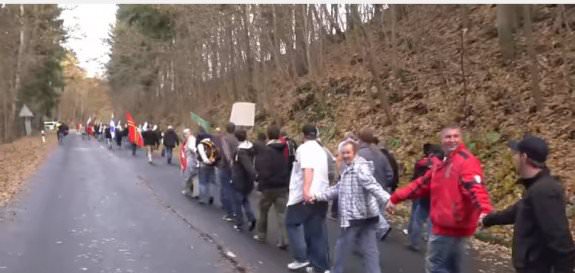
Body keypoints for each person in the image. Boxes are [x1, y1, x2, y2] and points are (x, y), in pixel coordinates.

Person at [387, 125, 493, 273]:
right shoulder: (441, 164)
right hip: (451, 226)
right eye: (448, 137)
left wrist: (485, 210)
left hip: (450, 226)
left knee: (435, 266)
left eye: (455, 136)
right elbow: (420, 184)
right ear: (441, 141)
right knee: (452, 267)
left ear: (461, 139)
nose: (452, 140)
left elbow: (474, 187)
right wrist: (396, 198)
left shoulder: (465, 161)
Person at [481, 135, 575, 273]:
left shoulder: (545, 191)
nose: (513, 158)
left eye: (516, 154)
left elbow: (561, 240)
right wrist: (488, 220)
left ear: (524, 157)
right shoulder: (535, 188)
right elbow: (516, 211)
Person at [314, 140, 390, 273]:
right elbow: (338, 189)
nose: (345, 156)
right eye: (343, 153)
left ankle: (336, 271)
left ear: (354, 152)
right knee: (370, 250)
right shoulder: (348, 169)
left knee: (342, 247)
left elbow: (373, 186)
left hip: (355, 217)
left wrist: (388, 200)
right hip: (368, 216)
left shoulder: (359, 168)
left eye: (348, 152)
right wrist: (317, 196)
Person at [285, 124, 330, 273]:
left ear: (303, 135)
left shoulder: (304, 149)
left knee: (291, 223)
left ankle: (301, 258)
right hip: (322, 195)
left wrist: (306, 190)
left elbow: (308, 169)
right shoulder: (321, 150)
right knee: (316, 231)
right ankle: (320, 266)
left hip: (305, 196)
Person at [253, 125, 290, 249]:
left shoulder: (266, 151)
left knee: (263, 211)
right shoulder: (284, 149)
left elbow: (262, 169)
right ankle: (284, 239)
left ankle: (261, 235)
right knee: (281, 214)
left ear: (268, 135)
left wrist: (260, 181)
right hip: (282, 186)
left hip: (268, 187)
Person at [405, 143, 443, 252]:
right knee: (432, 222)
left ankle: (414, 242)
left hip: (423, 193)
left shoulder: (422, 163)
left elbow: (415, 175)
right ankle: (432, 246)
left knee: (417, 219)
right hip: (436, 197)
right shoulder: (444, 167)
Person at [357, 128, 393, 240]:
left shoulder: (359, 154)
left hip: (367, 190)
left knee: (365, 216)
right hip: (382, 188)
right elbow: (390, 173)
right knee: (375, 215)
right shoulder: (380, 154)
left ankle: (382, 228)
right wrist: (385, 185)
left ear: (360, 139)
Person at [230, 129, 257, 232]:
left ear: (236, 138)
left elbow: (248, 167)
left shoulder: (240, 152)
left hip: (239, 180)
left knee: (237, 202)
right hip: (248, 182)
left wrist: (254, 175)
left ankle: (239, 223)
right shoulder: (251, 147)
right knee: (245, 200)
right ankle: (251, 218)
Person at [216, 123, 239, 222]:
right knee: (234, 189)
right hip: (236, 167)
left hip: (226, 167)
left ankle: (230, 212)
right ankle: (236, 211)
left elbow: (226, 154)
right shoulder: (237, 139)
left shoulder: (225, 139)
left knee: (226, 189)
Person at [196, 127, 218, 205]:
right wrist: (212, 161)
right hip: (212, 165)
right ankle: (211, 196)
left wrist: (206, 161)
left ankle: (202, 198)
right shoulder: (212, 144)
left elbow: (202, 155)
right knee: (211, 181)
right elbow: (215, 154)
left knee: (202, 182)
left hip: (203, 165)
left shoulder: (200, 145)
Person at [182, 128, 199, 197]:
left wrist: (197, 158)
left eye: (186, 134)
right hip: (192, 159)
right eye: (184, 134)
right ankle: (195, 192)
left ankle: (187, 190)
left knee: (189, 176)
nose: (185, 135)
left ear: (189, 133)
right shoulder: (190, 139)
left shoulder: (191, 139)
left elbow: (193, 149)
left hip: (191, 160)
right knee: (194, 176)